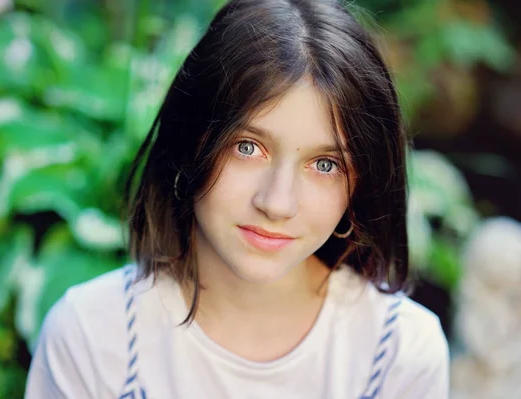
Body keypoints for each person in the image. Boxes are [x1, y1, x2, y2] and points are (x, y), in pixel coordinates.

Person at [24, 0, 449, 398]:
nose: (277, 203)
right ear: (191, 141)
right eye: (247, 147)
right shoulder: (94, 335)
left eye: (324, 164)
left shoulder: (399, 352)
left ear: (361, 181)